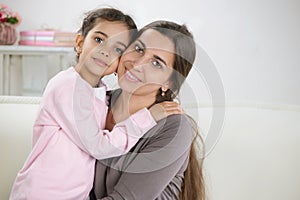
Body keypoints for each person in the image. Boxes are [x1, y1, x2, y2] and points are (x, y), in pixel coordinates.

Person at [9, 8, 181, 200]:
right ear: (80, 43)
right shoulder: (67, 88)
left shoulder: (99, 93)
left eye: (118, 49)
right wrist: (146, 118)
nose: (105, 52)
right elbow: (99, 147)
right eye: (99, 40)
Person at [90, 20, 205, 200]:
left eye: (156, 63)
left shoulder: (173, 127)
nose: (138, 64)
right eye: (138, 49)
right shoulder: (94, 103)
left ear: (169, 83)